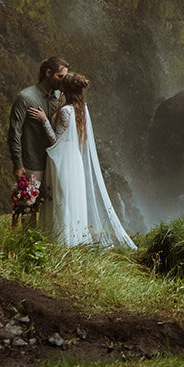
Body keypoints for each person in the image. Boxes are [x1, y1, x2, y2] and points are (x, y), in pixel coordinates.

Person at [29, 73, 136, 248]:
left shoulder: (65, 111)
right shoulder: (82, 108)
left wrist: (44, 121)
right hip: (74, 159)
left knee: (60, 198)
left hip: (63, 160)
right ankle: (71, 239)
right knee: (69, 198)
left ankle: (59, 241)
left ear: (65, 89)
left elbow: (55, 139)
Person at [9, 56, 69, 220]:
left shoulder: (61, 98)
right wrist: (18, 163)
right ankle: (22, 242)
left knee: (49, 207)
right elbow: (15, 132)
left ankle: (41, 242)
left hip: (54, 163)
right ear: (48, 73)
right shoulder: (26, 98)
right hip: (32, 163)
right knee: (27, 207)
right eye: (60, 76)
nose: (64, 81)